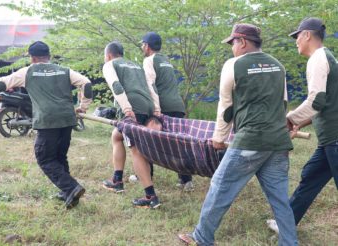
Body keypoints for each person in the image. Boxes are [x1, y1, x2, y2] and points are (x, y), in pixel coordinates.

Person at [178, 23, 297, 245]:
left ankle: (201, 238)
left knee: (220, 186)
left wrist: (219, 137)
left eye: (232, 43)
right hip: (278, 142)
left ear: (242, 41)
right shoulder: (278, 65)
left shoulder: (234, 65)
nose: (232, 48)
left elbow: (226, 106)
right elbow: (283, 103)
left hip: (250, 140)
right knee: (280, 199)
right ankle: (290, 242)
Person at [0, 41, 93, 209]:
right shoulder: (64, 70)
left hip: (47, 120)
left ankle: (71, 187)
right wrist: (83, 106)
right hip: (67, 119)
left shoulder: (27, 72)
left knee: (45, 158)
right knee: (60, 157)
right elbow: (87, 84)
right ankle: (68, 194)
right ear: (49, 56)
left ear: (32, 58)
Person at [266, 17, 338, 234]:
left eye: (297, 36)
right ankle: (286, 223)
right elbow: (327, 103)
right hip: (329, 140)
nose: (296, 41)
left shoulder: (318, 58)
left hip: (335, 140)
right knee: (310, 177)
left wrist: (289, 119)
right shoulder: (326, 57)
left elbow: (316, 101)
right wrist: (302, 122)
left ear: (307, 35)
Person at [100, 41, 163, 209]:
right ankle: (117, 179)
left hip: (132, 107)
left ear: (108, 55)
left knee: (136, 149)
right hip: (147, 105)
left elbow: (116, 85)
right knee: (117, 136)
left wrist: (127, 109)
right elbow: (152, 87)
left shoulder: (110, 65)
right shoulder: (136, 65)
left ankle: (150, 196)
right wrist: (156, 109)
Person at [140, 32, 194, 191]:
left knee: (147, 139)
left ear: (147, 46)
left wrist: (156, 108)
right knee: (179, 143)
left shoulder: (149, 60)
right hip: (178, 105)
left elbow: (150, 85)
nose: (142, 47)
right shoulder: (166, 60)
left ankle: (146, 174)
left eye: (142, 44)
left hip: (163, 105)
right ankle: (186, 181)